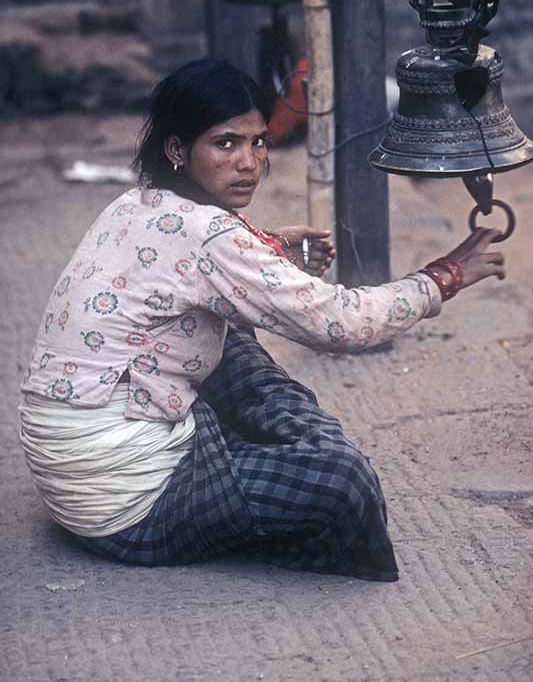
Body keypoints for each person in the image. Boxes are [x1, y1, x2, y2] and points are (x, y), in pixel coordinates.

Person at [19, 59, 505, 582]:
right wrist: (443, 276)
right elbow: (341, 324)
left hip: (69, 469)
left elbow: (184, 269)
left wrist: (264, 249)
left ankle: (280, 442)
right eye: (225, 144)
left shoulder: (132, 204)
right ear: (178, 149)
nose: (248, 162)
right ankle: (299, 447)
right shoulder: (210, 237)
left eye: (258, 142)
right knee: (341, 481)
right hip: (132, 507)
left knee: (232, 333)